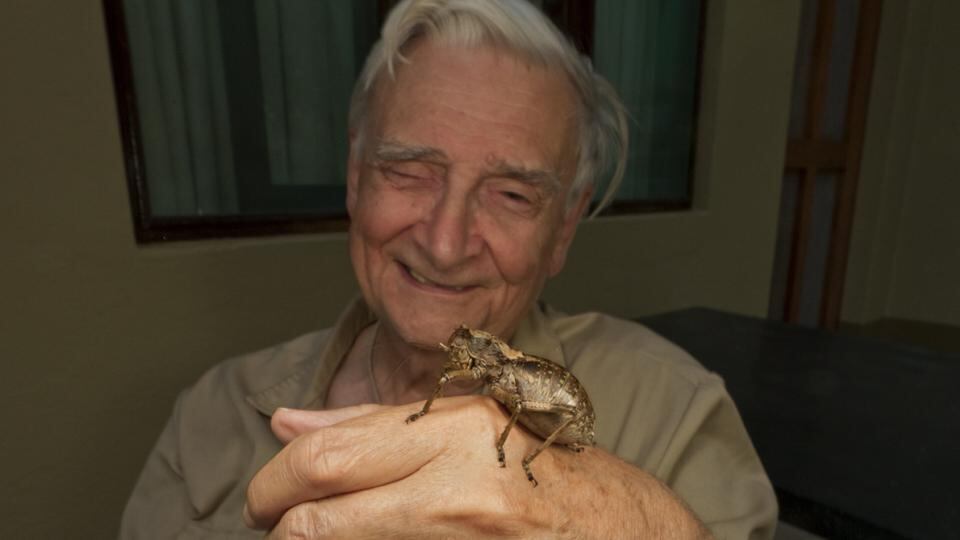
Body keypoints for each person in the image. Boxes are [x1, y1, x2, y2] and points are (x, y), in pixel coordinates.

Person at [121, 0, 778, 537]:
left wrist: (600, 516)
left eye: (512, 195)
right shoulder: (211, 414)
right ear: (355, 178)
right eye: (408, 171)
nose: (444, 243)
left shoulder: (675, 414)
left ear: (563, 228)